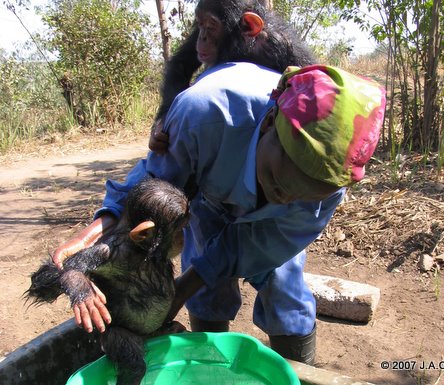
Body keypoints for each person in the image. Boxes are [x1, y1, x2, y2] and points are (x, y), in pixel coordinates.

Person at [52, 62, 386, 365]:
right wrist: (104, 224)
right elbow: (154, 187)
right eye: (279, 179)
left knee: (283, 287)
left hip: (273, 231)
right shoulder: (205, 114)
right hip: (209, 196)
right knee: (208, 290)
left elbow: (266, 241)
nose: (287, 196)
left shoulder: (331, 180)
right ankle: (206, 367)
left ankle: (297, 372)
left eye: (305, 194)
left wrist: (184, 287)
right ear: (270, 123)